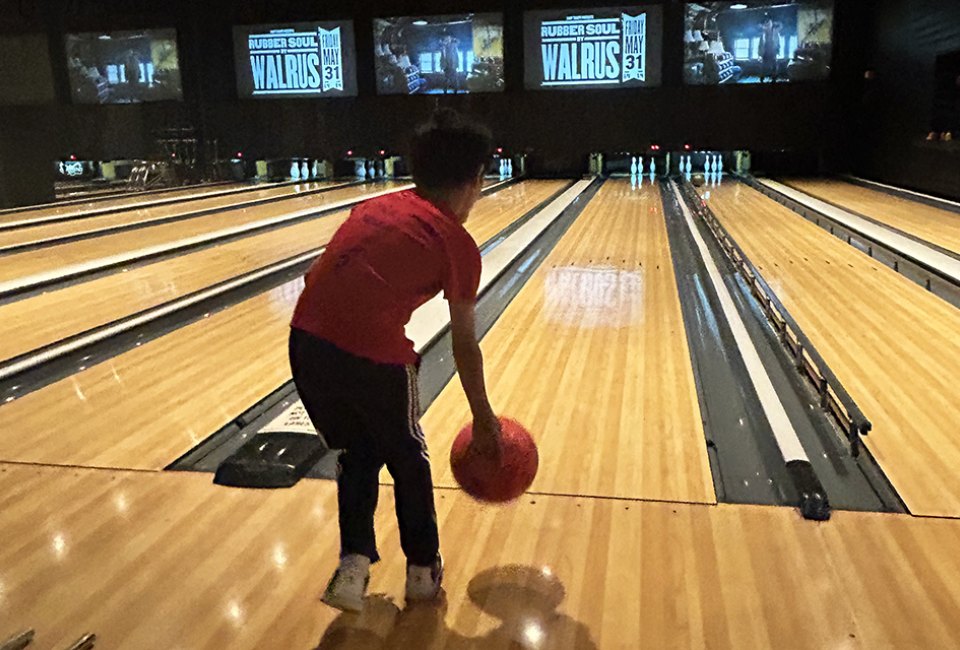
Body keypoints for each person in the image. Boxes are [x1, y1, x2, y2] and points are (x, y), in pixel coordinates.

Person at [288, 108, 502, 613]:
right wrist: (484, 419)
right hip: (376, 360)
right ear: (474, 182)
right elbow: (464, 344)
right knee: (408, 458)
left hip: (306, 343)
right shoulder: (458, 244)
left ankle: (352, 567)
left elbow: (310, 279)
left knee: (356, 455)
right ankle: (423, 573)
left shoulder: (372, 208)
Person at [758, 15, 782, 83]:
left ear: (771, 24)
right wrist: (759, 53)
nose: (768, 25)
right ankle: (761, 79)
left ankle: (774, 79)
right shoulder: (763, 33)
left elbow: (778, 42)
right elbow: (760, 44)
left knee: (774, 65)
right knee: (763, 66)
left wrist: (778, 51)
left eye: (769, 23)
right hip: (765, 51)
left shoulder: (775, 32)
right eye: (766, 24)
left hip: (773, 51)